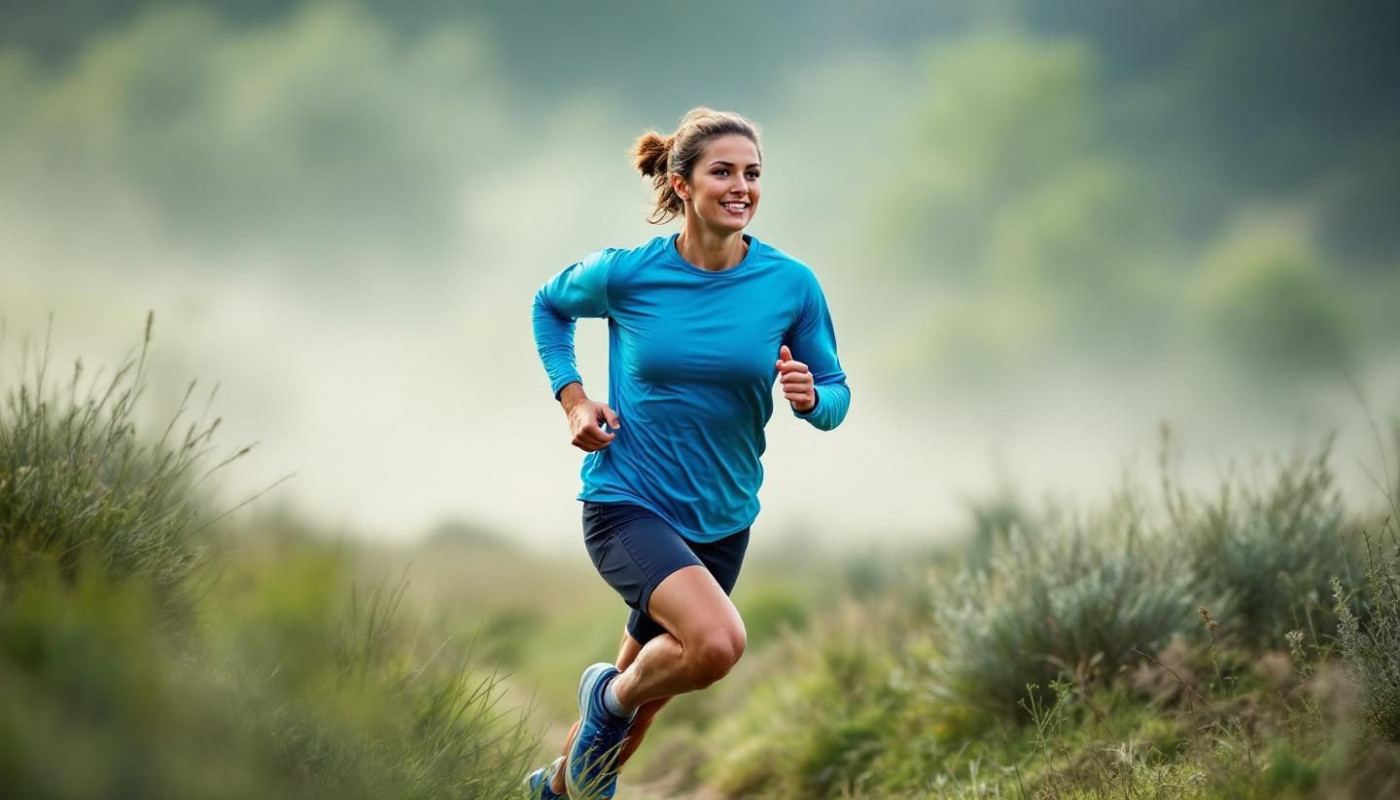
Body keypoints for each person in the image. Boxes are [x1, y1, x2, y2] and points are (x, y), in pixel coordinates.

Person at [526, 107, 850, 799]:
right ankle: (606, 699)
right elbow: (548, 307)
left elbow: (835, 395)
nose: (742, 187)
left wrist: (809, 398)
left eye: (752, 174)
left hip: (723, 517)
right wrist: (574, 400)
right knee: (714, 645)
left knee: (640, 706)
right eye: (723, 172)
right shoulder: (627, 274)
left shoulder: (791, 284)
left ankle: (557, 788)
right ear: (681, 184)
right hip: (628, 501)